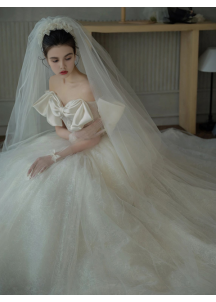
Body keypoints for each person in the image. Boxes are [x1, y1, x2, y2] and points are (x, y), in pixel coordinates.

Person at [0, 15, 216, 295]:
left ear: (77, 53)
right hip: (71, 142)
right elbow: (58, 128)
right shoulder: (53, 83)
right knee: (25, 182)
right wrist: (70, 137)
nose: (62, 66)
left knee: (72, 189)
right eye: (55, 60)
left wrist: (54, 156)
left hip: (95, 147)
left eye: (68, 57)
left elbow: (91, 141)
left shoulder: (89, 86)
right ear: (45, 59)